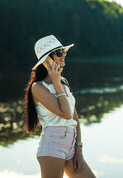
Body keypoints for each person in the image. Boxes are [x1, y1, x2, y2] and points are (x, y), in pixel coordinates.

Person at [25, 35, 96, 178]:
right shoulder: (38, 87)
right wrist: (56, 83)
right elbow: (66, 114)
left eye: (64, 51)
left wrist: (79, 149)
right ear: (47, 60)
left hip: (71, 144)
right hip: (52, 144)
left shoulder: (64, 82)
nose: (63, 55)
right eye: (59, 53)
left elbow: (74, 117)